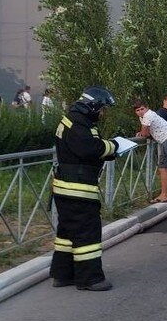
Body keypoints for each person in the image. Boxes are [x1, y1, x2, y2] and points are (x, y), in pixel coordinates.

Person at [51, 86, 119, 292]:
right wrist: (114, 146)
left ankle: (63, 274)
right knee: (87, 234)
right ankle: (89, 278)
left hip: (65, 188)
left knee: (67, 233)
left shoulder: (72, 120)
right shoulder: (79, 124)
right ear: (92, 106)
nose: (102, 113)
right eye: (102, 109)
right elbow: (91, 149)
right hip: (78, 189)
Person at [134, 99, 167, 203]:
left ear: (146, 108)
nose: (140, 112)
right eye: (138, 110)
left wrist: (141, 134)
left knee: (163, 168)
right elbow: (148, 132)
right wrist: (144, 133)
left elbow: (145, 133)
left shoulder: (147, 116)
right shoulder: (146, 116)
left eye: (142, 109)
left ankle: (164, 195)